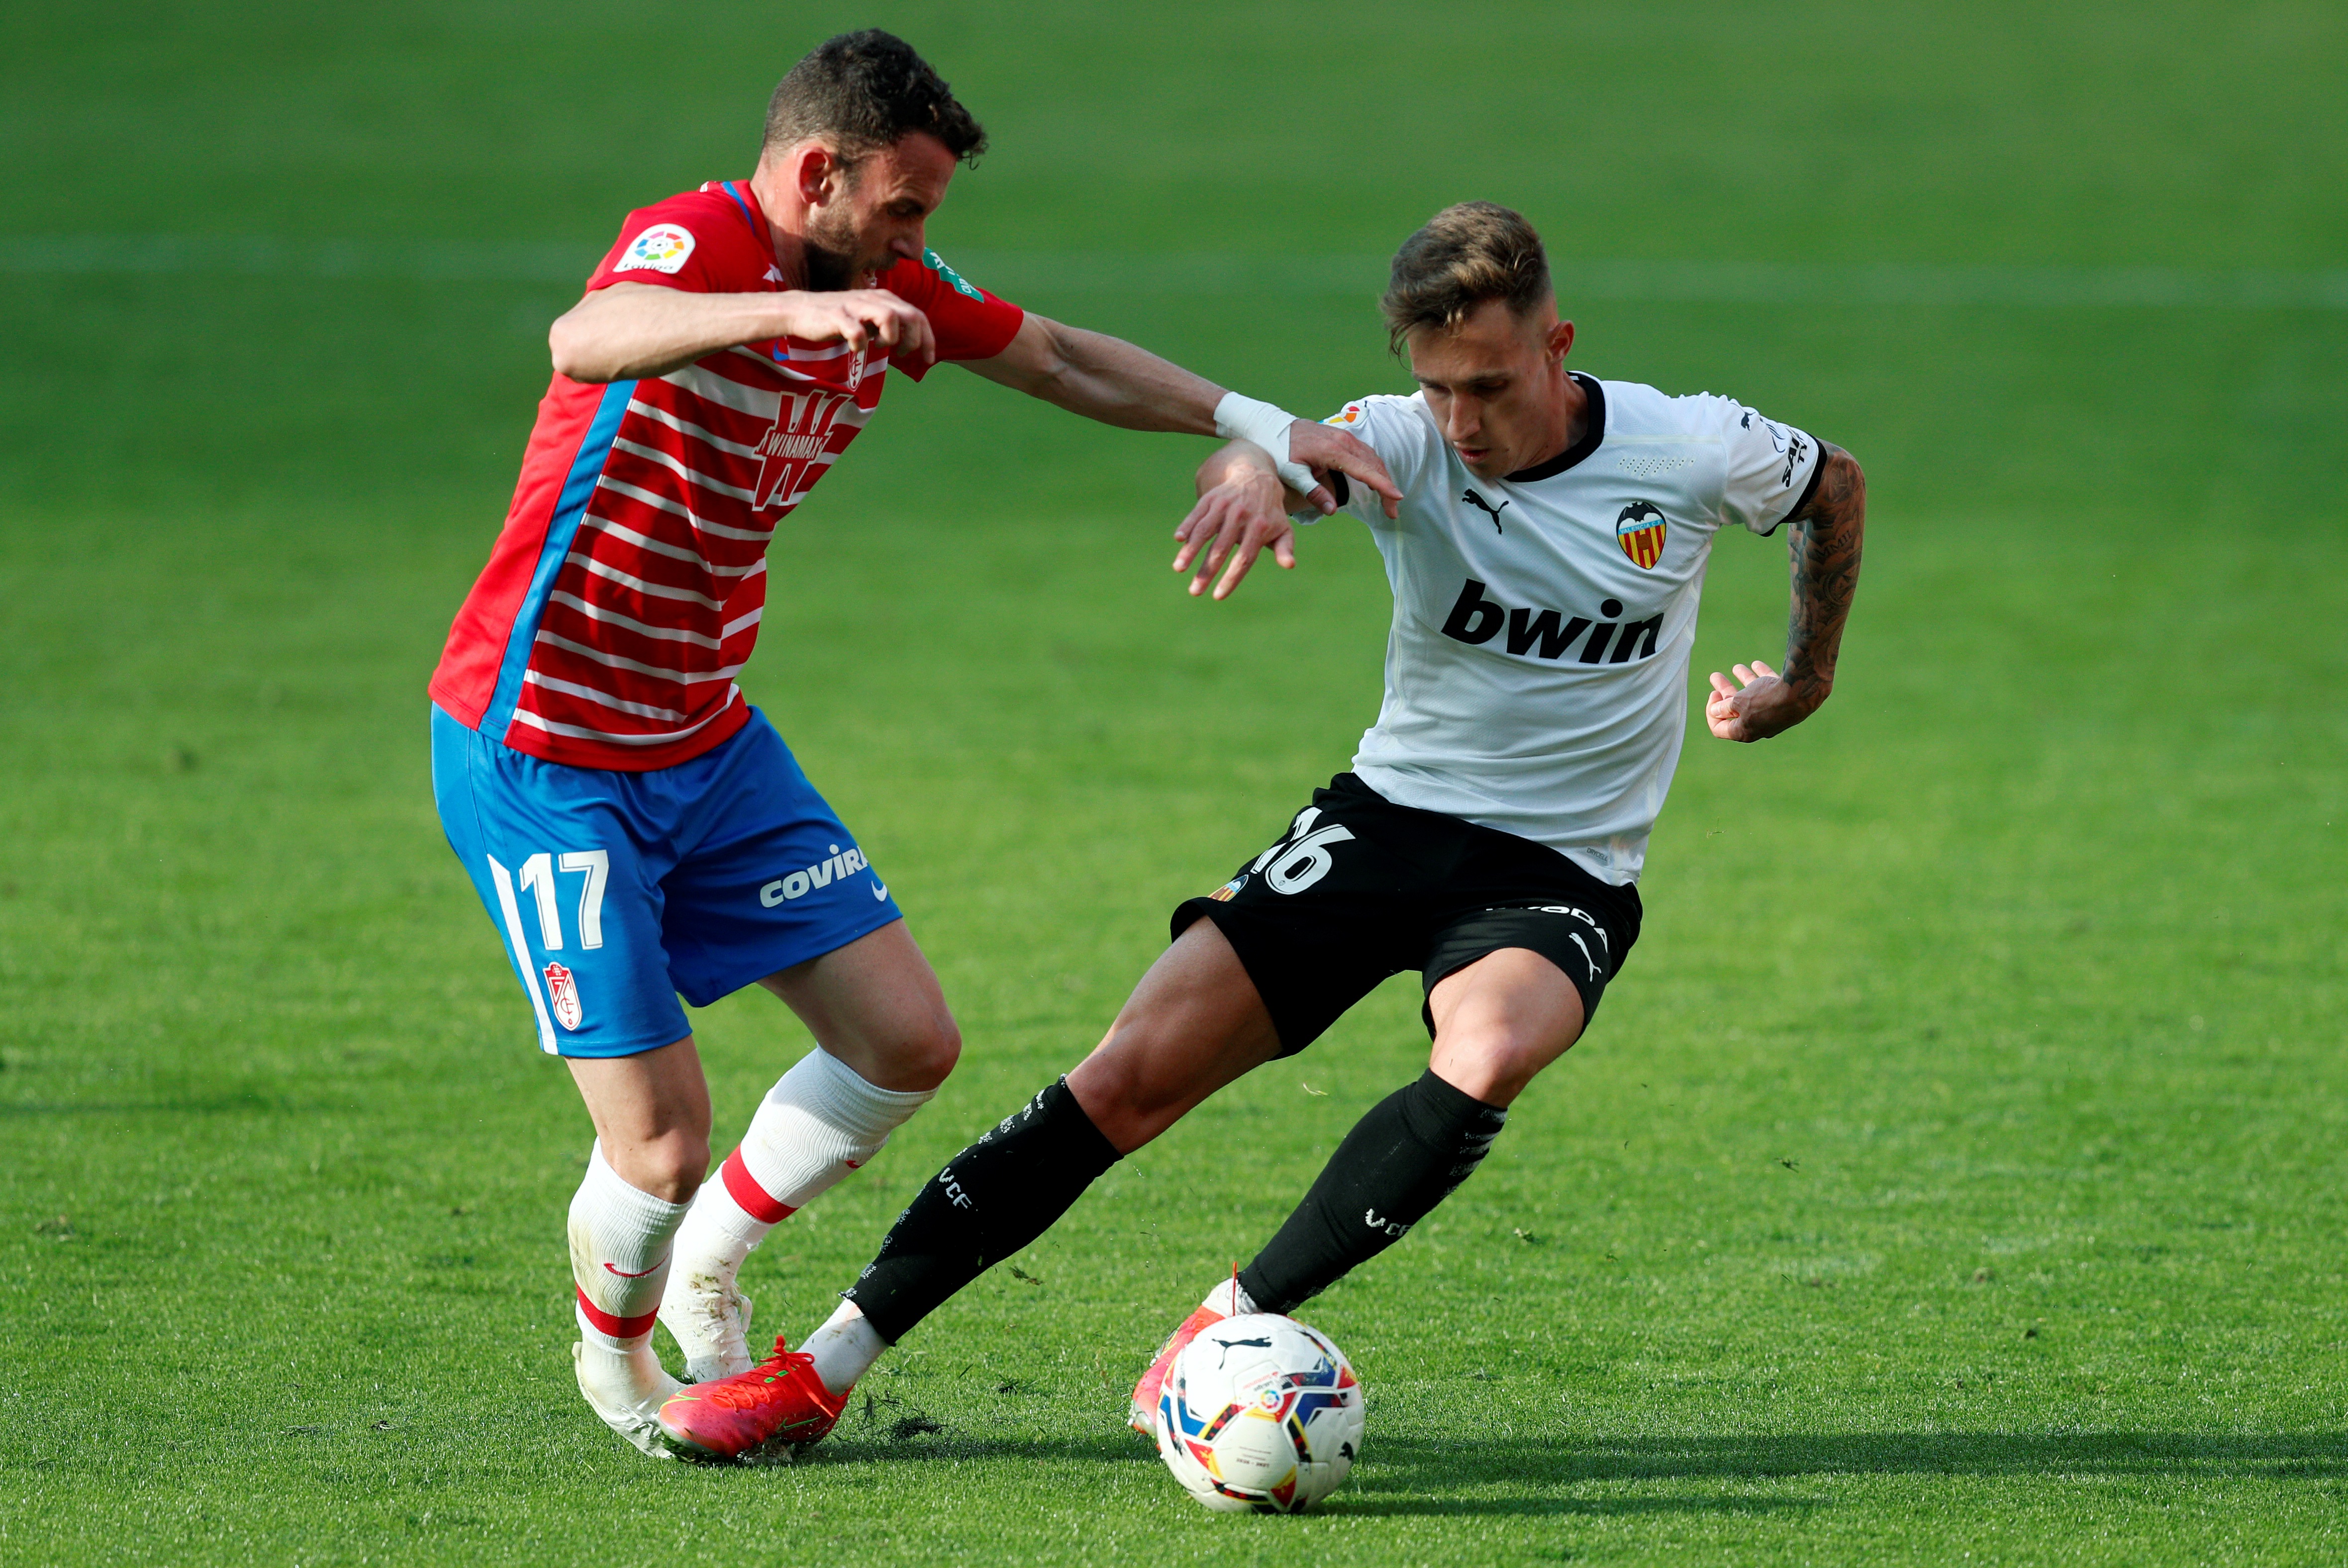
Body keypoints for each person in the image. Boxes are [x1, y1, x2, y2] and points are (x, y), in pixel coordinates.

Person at [650, 198, 1867, 1464]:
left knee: (1491, 1047)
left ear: (1558, 344)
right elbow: (1274, 455)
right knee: (1121, 1076)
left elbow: (1834, 485)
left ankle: (1226, 1328)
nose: (1461, 422)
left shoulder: (1687, 448)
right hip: (1385, 822)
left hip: (1561, 869)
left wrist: (1803, 678)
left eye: (1490, 386)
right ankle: (824, 1365)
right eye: (1438, 387)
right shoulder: (1401, 439)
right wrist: (1245, 477)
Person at [426, 29, 1394, 1458]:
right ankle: (621, 1373)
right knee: (659, 1140)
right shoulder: (695, 242)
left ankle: (708, 1262)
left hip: (706, 738)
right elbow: (586, 338)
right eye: (906, 206)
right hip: (546, 751)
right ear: (819, 172)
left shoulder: (884, 284)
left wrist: (1267, 421)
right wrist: (782, 320)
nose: (917, 241)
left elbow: (1060, 357)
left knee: (904, 1042)